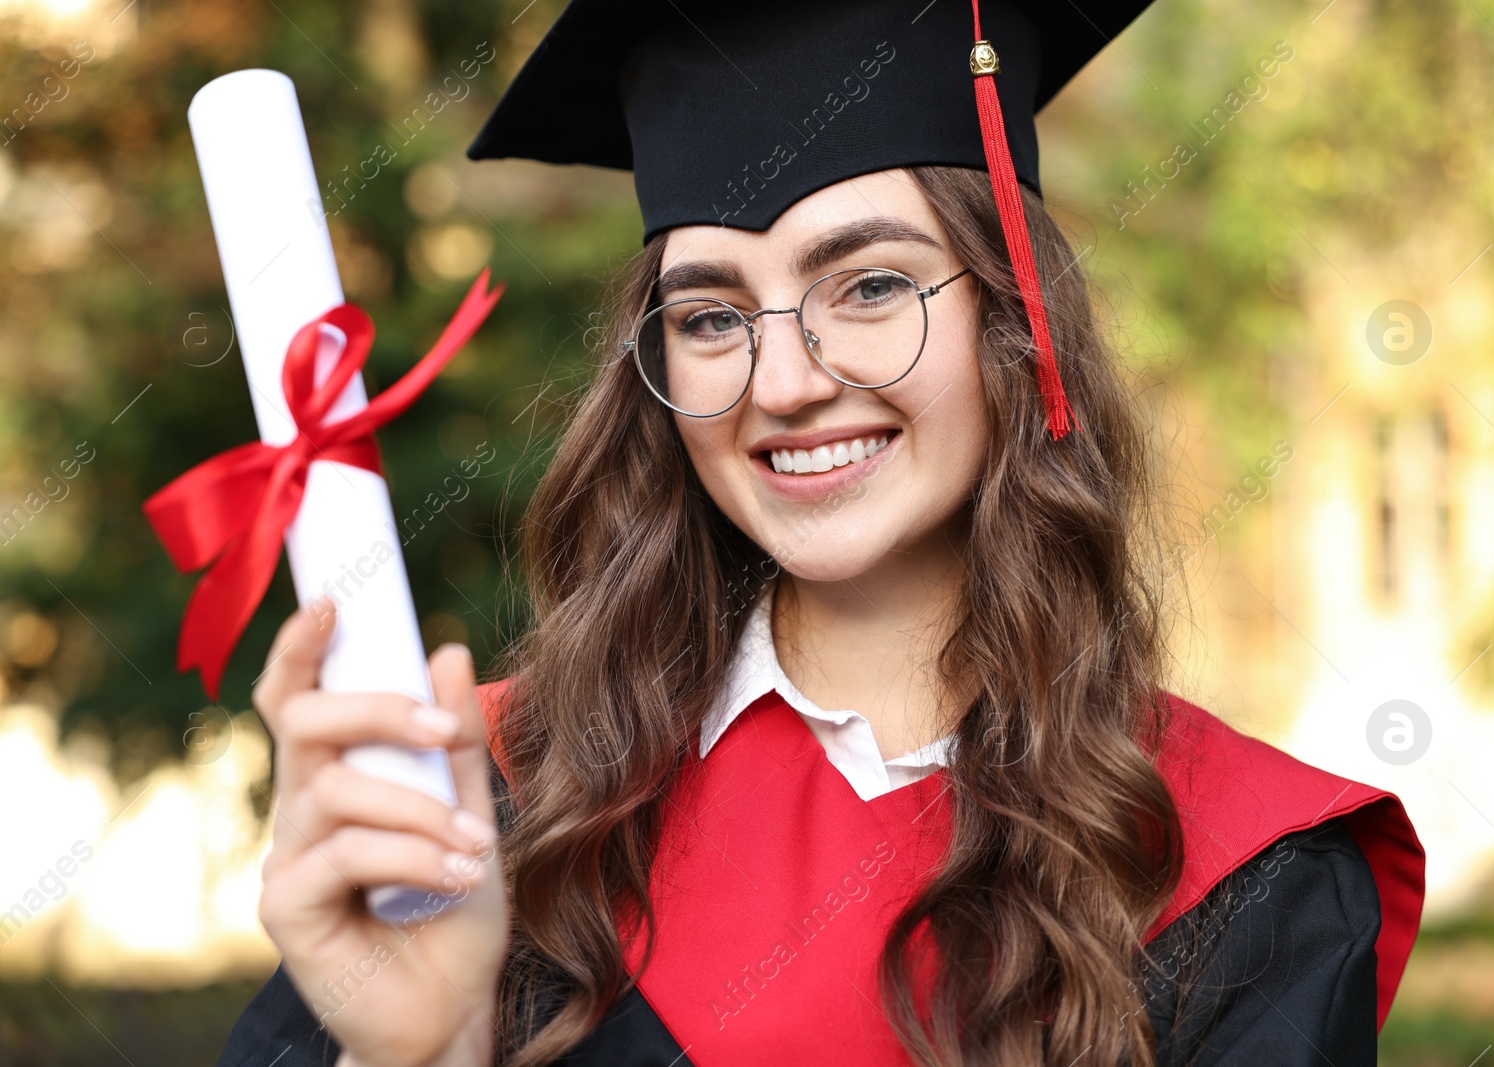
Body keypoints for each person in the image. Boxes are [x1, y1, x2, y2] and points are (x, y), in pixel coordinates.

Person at [217, 1, 1425, 1065]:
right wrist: (419, 1055)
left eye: (872, 286)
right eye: (709, 314)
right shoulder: (488, 809)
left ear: (1018, 319)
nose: (782, 380)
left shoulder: (1243, 873)